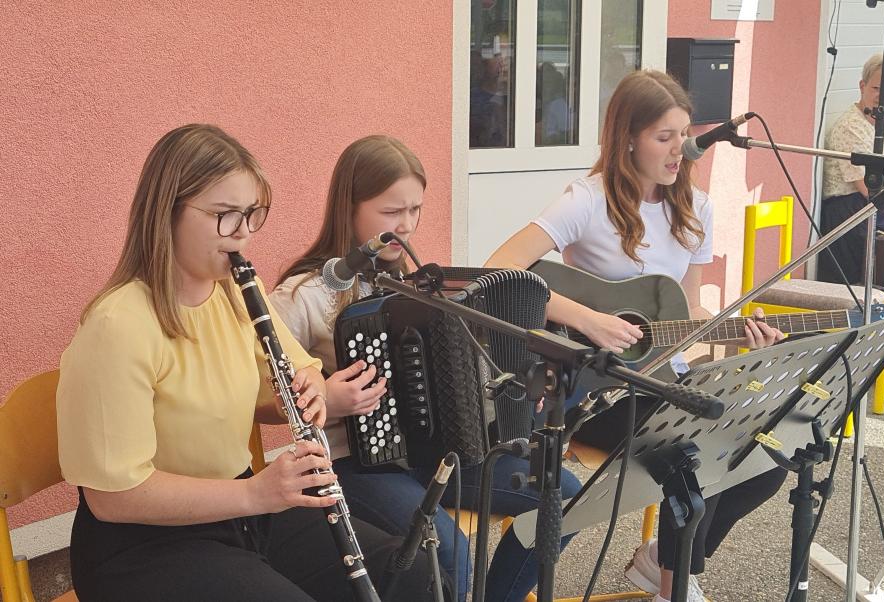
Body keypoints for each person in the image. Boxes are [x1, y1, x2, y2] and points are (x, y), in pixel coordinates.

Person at [56, 124, 438, 602]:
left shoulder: (234, 295)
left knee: (411, 573)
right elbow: (113, 498)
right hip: (144, 545)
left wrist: (312, 388)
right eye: (225, 215)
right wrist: (258, 494)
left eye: (253, 214)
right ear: (167, 212)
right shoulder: (117, 326)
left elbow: (300, 370)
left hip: (240, 512)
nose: (243, 232)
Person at [484, 69, 787, 602]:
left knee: (766, 458)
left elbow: (688, 310)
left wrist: (738, 335)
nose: (680, 150)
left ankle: (666, 563)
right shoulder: (587, 200)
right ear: (628, 139)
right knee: (692, 447)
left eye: (684, 135)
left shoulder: (695, 208)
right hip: (593, 391)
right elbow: (499, 271)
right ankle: (675, 585)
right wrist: (587, 319)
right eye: (664, 137)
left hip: (660, 377)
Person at [269, 134, 581, 602]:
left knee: (563, 497)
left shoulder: (417, 286)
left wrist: (519, 385)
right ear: (348, 208)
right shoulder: (303, 295)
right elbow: (259, 397)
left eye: (415, 210)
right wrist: (328, 400)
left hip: (437, 454)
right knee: (447, 551)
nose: (407, 225)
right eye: (392, 212)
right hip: (355, 466)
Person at [819, 53, 884, 285]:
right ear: (862, 85)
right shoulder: (849, 126)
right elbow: (868, 189)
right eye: (876, 88)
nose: (882, 97)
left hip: (880, 202)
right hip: (849, 208)